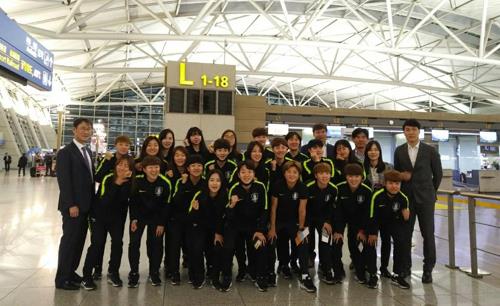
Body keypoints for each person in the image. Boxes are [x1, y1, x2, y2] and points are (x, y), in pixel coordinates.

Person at [394, 119, 442, 284]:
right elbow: (397, 173)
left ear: (419, 132)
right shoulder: (399, 151)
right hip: (407, 199)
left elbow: (438, 174)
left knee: (428, 234)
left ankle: (427, 269)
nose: (411, 132)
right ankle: (405, 268)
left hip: (426, 199)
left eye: (414, 129)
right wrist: (402, 177)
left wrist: (429, 191)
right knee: (405, 234)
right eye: (408, 129)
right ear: (404, 132)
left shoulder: (430, 151)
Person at [81, 156, 134, 290]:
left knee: (117, 243)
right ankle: (87, 275)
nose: (122, 168)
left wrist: (123, 182)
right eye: (120, 164)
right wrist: (117, 182)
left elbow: (123, 199)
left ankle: (113, 272)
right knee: (97, 243)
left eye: (126, 166)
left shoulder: (130, 182)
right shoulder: (108, 178)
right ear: (115, 166)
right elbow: (105, 201)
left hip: (116, 219)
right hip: (98, 216)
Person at [54, 118, 94, 290]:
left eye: (89, 129)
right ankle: (62, 278)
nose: (87, 132)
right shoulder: (66, 152)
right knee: (69, 241)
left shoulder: (88, 152)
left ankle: (71, 272)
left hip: (85, 206)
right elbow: (64, 182)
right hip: (73, 207)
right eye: (83, 128)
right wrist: (71, 204)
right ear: (74, 131)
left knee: (78, 241)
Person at [268, 161, 316, 293]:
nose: (291, 174)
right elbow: (273, 208)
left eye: (295, 172)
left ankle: (305, 274)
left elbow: (302, 210)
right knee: (271, 239)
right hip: (279, 221)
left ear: (299, 174)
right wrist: (272, 228)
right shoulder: (277, 186)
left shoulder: (303, 187)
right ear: (284, 173)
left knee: (304, 241)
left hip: (297, 222)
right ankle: (276, 270)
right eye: (289, 172)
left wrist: (301, 229)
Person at [221, 160, 268, 292]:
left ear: (254, 174)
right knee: (229, 247)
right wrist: (232, 205)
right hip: (234, 226)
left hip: (254, 227)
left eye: (249, 172)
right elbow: (228, 214)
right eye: (243, 172)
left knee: (261, 245)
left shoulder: (260, 187)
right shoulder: (234, 188)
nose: (246, 175)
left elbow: (265, 210)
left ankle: (259, 275)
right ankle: (229, 275)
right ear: (238, 174)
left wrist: (260, 230)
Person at [128, 156, 172, 288]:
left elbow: (167, 205)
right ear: (144, 169)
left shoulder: (165, 182)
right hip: (139, 217)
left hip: (156, 218)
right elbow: (133, 202)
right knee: (134, 243)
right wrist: (133, 219)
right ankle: (134, 273)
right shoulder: (138, 181)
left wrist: (161, 223)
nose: (154, 170)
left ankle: (154, 272)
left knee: (155, 244)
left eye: (156, 167)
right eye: (151, 167)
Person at [333, 163, 375, 287]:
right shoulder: (339, 188)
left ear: (362, 177)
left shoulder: (367, 191)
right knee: (336, 241)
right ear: (346, 177)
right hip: (342, 219)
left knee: (359, 245)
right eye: (350, 176)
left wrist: (362, 231)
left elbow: (368, 214)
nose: (353, 179)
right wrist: (338, 231)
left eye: (357, 176)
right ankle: (337, 269)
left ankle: (366, 271)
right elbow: (337, 212)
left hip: (359, 223)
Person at [368, 170, 411, 289]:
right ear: (385, 183)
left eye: (397, 184)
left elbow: (405, 219)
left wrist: (406, 215)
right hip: (377, 221)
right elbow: (372, 215)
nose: (394, 186)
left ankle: (397, 274)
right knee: (374, 242)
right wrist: (372, 233)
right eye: (391, 183)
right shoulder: (377, 195)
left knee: (400, 243)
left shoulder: (403, 198)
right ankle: (373, 273)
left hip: (394, 223)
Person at [168, 154, 206, 285]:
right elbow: (175, 201)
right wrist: (183, 184)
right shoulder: (181, 182)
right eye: (193, 165)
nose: (196, 168)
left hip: (197, 221)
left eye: (199, 165)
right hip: (178, 219)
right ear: (188, 168)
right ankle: (174, 273)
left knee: (194, 247)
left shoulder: (206, 182)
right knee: (174, 246)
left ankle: (194, 273)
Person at [187, 169, 227, 289]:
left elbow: (225, 218)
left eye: (218, 181)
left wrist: (218, 233)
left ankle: (214, 277)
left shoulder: (225, 195)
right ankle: (199, 275)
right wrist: (195, 210)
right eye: (212, 180)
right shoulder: (200, 194)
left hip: (218, 229)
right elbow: (192, 218)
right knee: (197, 247)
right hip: (201, 228)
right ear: (207, 181)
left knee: (217, 247)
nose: (214, 183)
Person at [306, 162, 343, 284]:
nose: (324, 176)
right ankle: (304, 265)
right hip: (308, 219)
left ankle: (326, 268)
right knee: (304, 240)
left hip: (324, 220)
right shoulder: (308, 187)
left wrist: (327, 222)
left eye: (327, 173)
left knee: (325, 241)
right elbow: (302, 207)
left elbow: (333, 208)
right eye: (321, 173)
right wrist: (303, 225)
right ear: (316, 175)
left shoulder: (333, 189)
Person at [363, 140, 393, 277]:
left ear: (380, 152)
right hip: (368, 208)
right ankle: (370, 267)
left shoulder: (388, 167)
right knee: (370, 238)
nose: (373, 152)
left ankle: (384, 267)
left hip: (385, 209)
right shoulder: (361, 167)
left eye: (376, 149)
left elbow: (395, 186)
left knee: (386, 239)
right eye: (370, 149)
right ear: (366, 152)